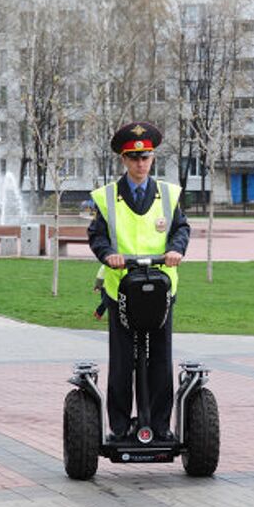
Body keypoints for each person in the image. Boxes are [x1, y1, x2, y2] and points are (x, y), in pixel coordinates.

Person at [87, 121, 190, 442]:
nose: (140, 164)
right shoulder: (106, 198)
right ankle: (120, 426)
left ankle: (160, 425)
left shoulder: (169, 194)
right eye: (133, 158)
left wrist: (175, 249)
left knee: (160, 358)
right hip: (121, 290)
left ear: (153, 158)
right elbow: (97, 235)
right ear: (124, 160)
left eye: (145, 158)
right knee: (122, 361)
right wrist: (108, 256)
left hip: (161, 289)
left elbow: (181, 229)